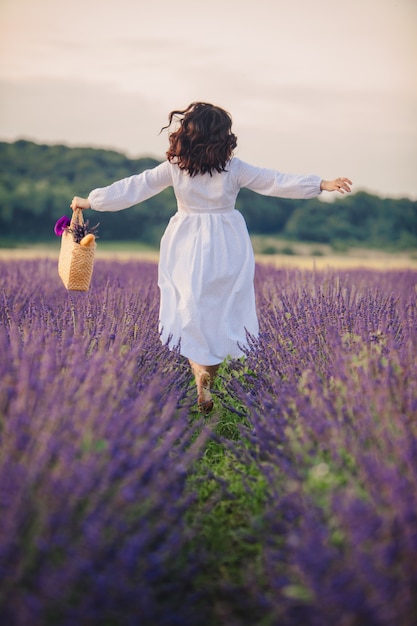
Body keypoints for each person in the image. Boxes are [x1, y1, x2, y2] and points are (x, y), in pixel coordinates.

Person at [71, 101, 352, 413]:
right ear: (222, 137)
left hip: (185, 244)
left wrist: (91, 200)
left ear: (187, 134)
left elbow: (135, 187)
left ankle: (200, 383)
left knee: (189, 307)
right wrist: (322, 184)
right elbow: (275, 180)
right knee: (219, 311)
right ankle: (207, 384)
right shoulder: (234, 168)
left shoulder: (175, 168)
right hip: (227, 245)